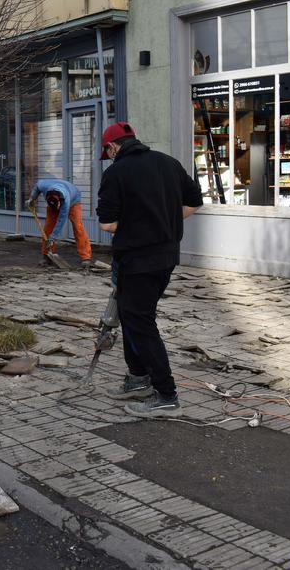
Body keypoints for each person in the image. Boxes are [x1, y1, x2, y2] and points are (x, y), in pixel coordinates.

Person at [96, 121, 203, 418]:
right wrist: (164, 220)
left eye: (108, 152)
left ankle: (166, 395)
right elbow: (195, 202)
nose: (109, 157)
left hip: (136, 261)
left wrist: (135, 224)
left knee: (141, 324)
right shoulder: (168, 163)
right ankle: (138, 377)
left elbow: (108, 224)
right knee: (131, 318)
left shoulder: (115, 173)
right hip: (166, 257)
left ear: (113, 147)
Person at [27, 178, 92, 266]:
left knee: (78, 227)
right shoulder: (44, 186)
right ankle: (46, 256)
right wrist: (32, 198)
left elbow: (61, 220)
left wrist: (53, 237)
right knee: (48, 229)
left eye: (57, 208)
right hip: (56, 197)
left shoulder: (66, 200)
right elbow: (37, 186)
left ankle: (86, 258)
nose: (56, 210)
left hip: (74, 200)